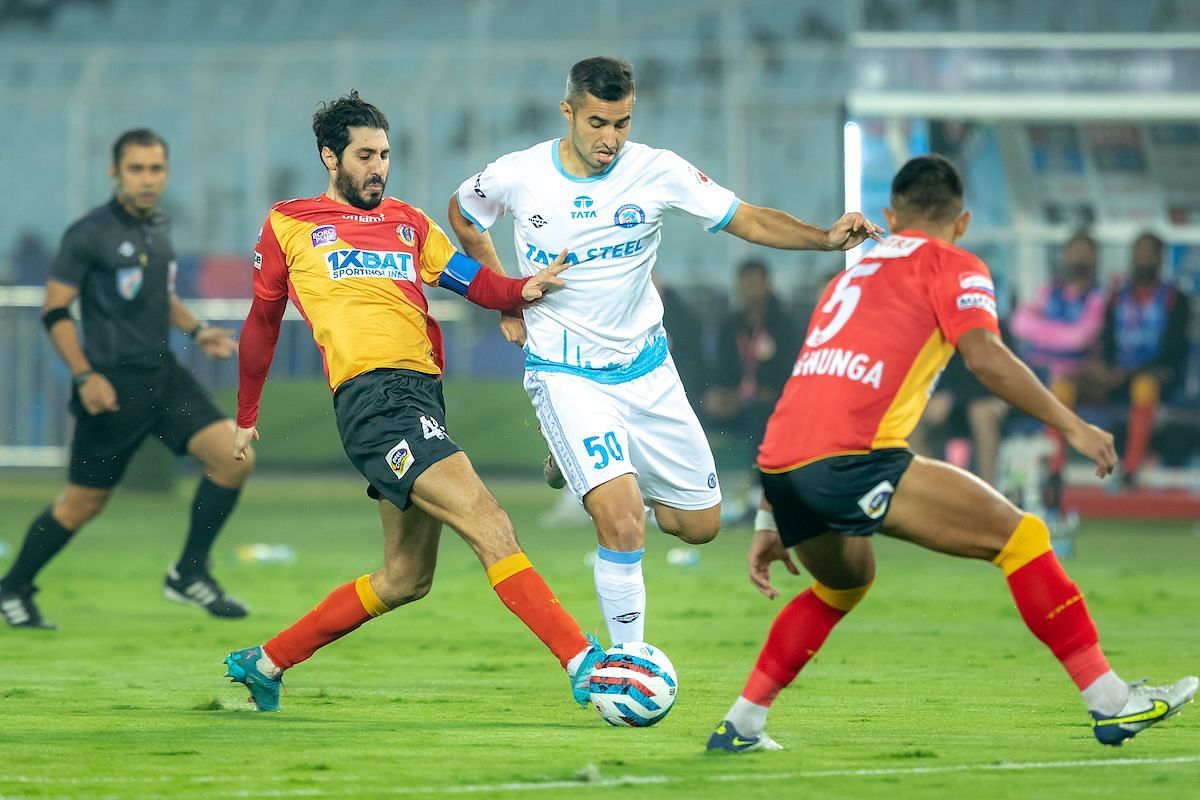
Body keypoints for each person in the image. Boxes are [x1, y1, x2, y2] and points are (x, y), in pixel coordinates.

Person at [706, 155, 1196, 753]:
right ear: (960, 222)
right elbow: (985, 356)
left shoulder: (847, 280)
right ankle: (1112, 703)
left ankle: (742, 724)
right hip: (854, 460)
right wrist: (1072, 426)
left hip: (783, 466)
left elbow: (804, 384)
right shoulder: (953, 263)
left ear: (892, 216)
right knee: (1022, 539)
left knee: (843, 584)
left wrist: (768, 510)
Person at [447, 56, 880, 647]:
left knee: (698, 524)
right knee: (622, 522)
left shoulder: (657, 171)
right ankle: (630, 663)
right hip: (567, 372)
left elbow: (746, 219)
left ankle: (578, 464)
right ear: (568, 112)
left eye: (622, 123)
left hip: (649, 371)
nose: (611, 139)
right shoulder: (520, 174)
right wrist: (507, 297)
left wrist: (825, 239)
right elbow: (465, 215)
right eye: (598, 123)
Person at [222, 91, 603, 713]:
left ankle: (264, 662)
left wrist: (521, 289)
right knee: (491, 523)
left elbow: (472, 283)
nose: (380, 167)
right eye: (366, 155)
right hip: (375, 401)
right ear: (330, 157)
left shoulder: (409, 221)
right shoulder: (289, 223)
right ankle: (582, 660)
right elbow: (262, 322)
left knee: (406, 578)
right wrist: (245, 416)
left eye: (386, 155)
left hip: (421, 395)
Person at [0, 129, 251, 629]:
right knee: (83, 503)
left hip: (163, 377)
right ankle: (13, 588)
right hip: (110, 388)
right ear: (115, 172)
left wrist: (199, 331)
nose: (147, 179)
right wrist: (84, 376)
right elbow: (54, 311)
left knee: (234, 458)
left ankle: (188, 571)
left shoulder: (158, 226)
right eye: (136, 169)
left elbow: (159, 297)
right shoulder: (87, 233)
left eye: (155, 169)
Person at [1073, 233, 1190, 487]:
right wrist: (1104, 367)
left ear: (1160, 258)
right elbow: (1107, 341)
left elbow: (1174, 353)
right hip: (1116, 375)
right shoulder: (1117, 296)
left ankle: (1130, 471)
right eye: (1138, 252)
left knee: (1144, 386)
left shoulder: (1174, 298)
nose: (1142, 258)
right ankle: (1055, 469)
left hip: (1156, 376)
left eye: (1148, 252)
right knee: (1064, 384)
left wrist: (1128, 372)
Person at [1009, 231, 1106, 496]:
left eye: (1084, 253)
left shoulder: (1098, 297)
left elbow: (1080, 338)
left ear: (1095, 258)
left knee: (1060, 385)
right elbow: (1019, 323)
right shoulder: (1048, 291)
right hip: (1036, 370)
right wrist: (1060, 333)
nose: (1077, 258)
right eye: (1073, 251)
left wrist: (1044, 332)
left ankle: (1054, 470)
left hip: (1076, 375)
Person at [705, 258, 801, 518]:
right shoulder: (730, 324)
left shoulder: (784, 324)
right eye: (745, 284)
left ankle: (757, 495)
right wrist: (718, 393)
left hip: (773, 404)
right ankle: (694, 495)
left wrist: (763, 392)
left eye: (756, 284)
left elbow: (793, 370)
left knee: (761, 416)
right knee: (698, 409)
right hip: (736, 402)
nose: (750, 290)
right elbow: (719, 371)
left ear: (767, 285)